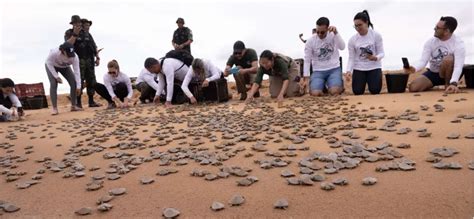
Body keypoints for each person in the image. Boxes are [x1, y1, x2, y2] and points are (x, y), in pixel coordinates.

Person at [407, 16, 465, 94]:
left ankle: (448, 85)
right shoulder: (430, 42)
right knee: (413, 87)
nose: (434, 28)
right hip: (434, 73)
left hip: (450, 74)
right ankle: (433, 84)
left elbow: (458, 66)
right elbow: (423, 61)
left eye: (438, 28)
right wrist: (414, 69)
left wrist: (454, 82)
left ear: (447, 31)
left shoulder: (458, 43)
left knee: (448, 59)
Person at [345, 10, 385, 95]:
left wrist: (375, 57)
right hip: (359, 68)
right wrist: (348, 71)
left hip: (374, 67)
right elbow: (351, 58)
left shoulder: (376, 35)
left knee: (375, 90)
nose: (358, 28)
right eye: (355, 26)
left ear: (366, 23)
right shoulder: (352, 40)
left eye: (360, 25)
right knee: (357, 91)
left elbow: (382, 53)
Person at [303, 17, 345, 96]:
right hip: (318, 71)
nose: (319, 34)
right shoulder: (310, 41)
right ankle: (322, 86)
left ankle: (337, 84)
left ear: (327, 29)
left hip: (333, 69)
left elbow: (342, 47)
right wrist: (305, 77)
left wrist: (336, 33)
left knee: (334, 91)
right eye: (317, 31)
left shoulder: (333, 35)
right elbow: (307, 60)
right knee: (315, 93)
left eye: (322, 32)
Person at [65, 17, 102, 108]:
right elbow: (67, 45)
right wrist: (75, 34)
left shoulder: (87, 34)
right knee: (79, 80)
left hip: (89, 59)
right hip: (78, 59)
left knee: (91, 80)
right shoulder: (69, 33)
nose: (87, 27)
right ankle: (78, 102)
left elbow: (94, 46)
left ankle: (91, 101)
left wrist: (97, 57)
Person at [45, 42, 82, 115]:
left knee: (73, 83)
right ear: (63, 51)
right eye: (68, 54)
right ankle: (55, 108)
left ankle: (73, 106)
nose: (70, 56)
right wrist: (56, 76)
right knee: (53, 83)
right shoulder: (54, 53)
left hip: (65, 67)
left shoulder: (75, 57)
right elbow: (48, 63)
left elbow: (77, 71)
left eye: (71, 54)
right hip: (52, 66)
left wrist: (79, 86)